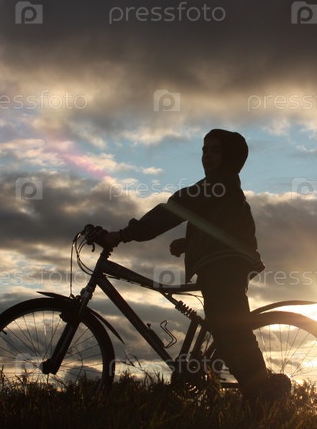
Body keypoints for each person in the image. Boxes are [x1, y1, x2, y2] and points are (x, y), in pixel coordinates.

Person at [101, 129, 276, 406]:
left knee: (232, 334)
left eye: (215, 150)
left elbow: (173, 210)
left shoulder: (217, 186)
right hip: (221, 266)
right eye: (204, 150)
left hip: (224, 271)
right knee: (227, 334)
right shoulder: (221, 189)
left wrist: (123, 234)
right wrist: (189, 242)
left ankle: (265, 400)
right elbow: (221, 228)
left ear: (230, 157)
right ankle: (259, 399)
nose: (206, 156)